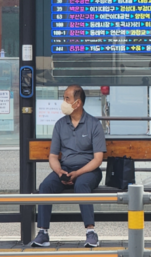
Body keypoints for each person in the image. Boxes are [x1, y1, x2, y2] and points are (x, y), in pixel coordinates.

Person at [31, 85, 106, 248]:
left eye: (67, 98)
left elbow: (98, 159)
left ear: (77, 103)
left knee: (81, 184)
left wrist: (77, 173)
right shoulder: (60, 125)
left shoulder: (93, 124)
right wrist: (60, 172)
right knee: (45, 186)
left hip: (89, 170)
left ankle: (91, 232)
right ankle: (43, 232)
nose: (63, 102)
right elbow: (53, 156)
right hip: (64, 169)